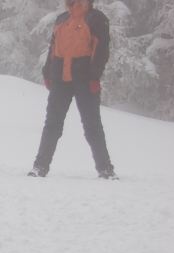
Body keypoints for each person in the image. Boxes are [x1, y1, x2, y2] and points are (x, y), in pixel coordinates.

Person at [29, 0, 117, 179]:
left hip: (85, 80)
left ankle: (105, 169)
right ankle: (40, 167)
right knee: (52, 124)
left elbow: (101, 50)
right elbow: (52, 48)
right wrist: (47, 72)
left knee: (92, 125)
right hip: (60, 79)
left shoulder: (97, 18)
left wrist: (94, 76)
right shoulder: (62, 19)